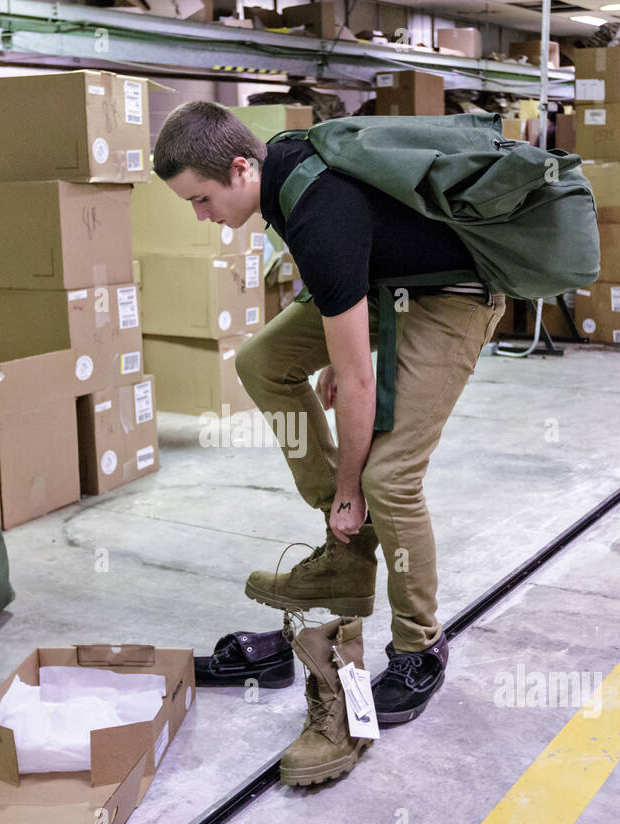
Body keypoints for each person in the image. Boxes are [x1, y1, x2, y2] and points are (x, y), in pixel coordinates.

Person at [152, 101, 505, 786]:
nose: (201, 216)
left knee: (387, 478)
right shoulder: (282, 176)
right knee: (262, 361)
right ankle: (345, 558)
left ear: (238, 166)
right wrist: (337, 355)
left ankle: (420, 648)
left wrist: (350, 484)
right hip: (391, 282)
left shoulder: (315, 209)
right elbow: (346, 286)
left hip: (452, 294)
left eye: (201, 199)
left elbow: (357, 377)